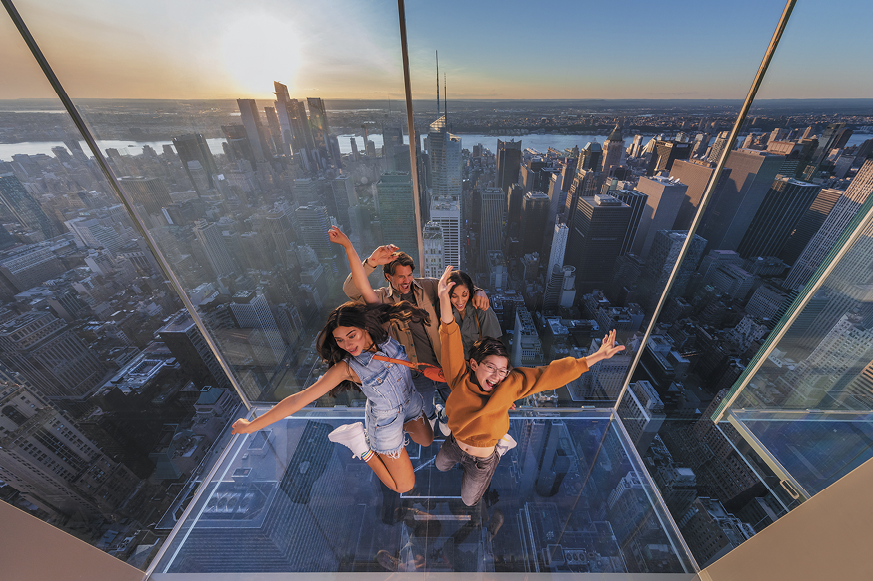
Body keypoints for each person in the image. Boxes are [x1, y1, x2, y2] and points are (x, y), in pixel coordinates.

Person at [231, 227, 434, 493]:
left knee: (428, 440)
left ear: (364, 327)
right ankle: (360, 446)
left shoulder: (382, 331)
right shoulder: (347, 368)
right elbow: (298, 399)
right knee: (403, 486)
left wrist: (349, 247)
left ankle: (403, 433)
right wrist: (251, 426)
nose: (348, 345)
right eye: (340, 341)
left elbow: (362, 284)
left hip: (409, 400)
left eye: (351, 335)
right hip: (384, 421)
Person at [434, 266, 625, 506]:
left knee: (469, 500)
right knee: (439, 465)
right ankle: (461, 445)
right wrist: (443, 297)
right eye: (491, 367)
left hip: (482, 460)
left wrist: (594, 358)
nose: (497, 376)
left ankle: (497, 452)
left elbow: (549, 374)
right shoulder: (459, 376)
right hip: (455, 443)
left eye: (503, 370)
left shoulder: (509, 385)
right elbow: (449, 334)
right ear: (473, 364)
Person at [342, 243, 490, 425]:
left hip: (446, 365)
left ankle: (445, 419)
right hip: (417, 373)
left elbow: (458, 287)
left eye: (409, 275)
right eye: (401, 277)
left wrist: (477, 291)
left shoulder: (429, 286)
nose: (406, 281)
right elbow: (351, 290)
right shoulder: (381, 299)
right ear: (388, 276)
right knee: (424, 411)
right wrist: (371, 262)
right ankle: (434, 418)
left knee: (461, 404)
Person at [447, 270, 503, 359]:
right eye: (454, 296)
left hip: (478, 364)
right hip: (454, 365)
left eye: (464, 295)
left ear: (470, 292)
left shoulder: (481, 310)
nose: (460, 301)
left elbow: (493, 346)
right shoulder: (445, 311)